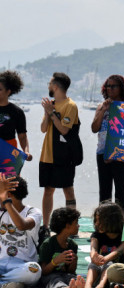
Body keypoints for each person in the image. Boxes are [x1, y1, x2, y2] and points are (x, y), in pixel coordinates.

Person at [39, 72, 79, 228]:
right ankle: (45, 225)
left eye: (50, 83)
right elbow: (43, 129)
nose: (48, 86)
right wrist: (47, 112)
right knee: (48, 190)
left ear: (55, 86)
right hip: (47, 155)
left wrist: (52, 113)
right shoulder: (52, 104)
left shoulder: (70, 106)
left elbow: (64, 130)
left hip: (64, 155)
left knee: (67, 189)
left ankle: (73, 224)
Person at [91, 75, 124, 214]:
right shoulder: (101, 106)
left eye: (113, 86)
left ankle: (123, 224)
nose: (109, 89)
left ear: (121, 88)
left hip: (121, 154)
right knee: (104, 191)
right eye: (107, 86)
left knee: (121, 190)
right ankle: (103, 223)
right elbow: (94, 128)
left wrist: (115, 153)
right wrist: (103, 110)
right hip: (102, 152)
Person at [0, 175, 42, 288]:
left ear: (9, 195)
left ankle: (3, 282)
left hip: (22, 266)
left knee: (35, 270)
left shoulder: (33, 212)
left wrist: (6, 201)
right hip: (2, 263)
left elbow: (22, 225)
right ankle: (6, 284)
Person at [37, 206, 84, 288]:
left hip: (64, 274)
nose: (78, 226)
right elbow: (43, 271)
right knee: (55, 280)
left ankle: (77, 287)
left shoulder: (72, 245)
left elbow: (70, 271)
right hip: (49, 275)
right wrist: (55, 261)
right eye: (76, 223)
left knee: (72, 278)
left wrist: (74, 262)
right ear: (67, 226)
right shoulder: (48, 244)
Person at [82, 201, 124, 288]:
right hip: (98, 271)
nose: (97, 224)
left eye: (100, 221)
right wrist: (94, 256)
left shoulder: (123, 236)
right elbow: (93, 247)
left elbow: (118, 251)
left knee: (109, 264)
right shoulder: (97, 235)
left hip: (113, 275)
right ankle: (88, 287)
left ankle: (100, 287)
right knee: (92, 264)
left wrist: (105, 259)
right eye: (96, 220)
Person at [0, 70, 31, 162]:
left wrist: (26, 152)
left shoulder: (17, 112)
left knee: (10, 177)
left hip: (8, 155)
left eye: (0, 89)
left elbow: (22, 137)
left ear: (8, 91)